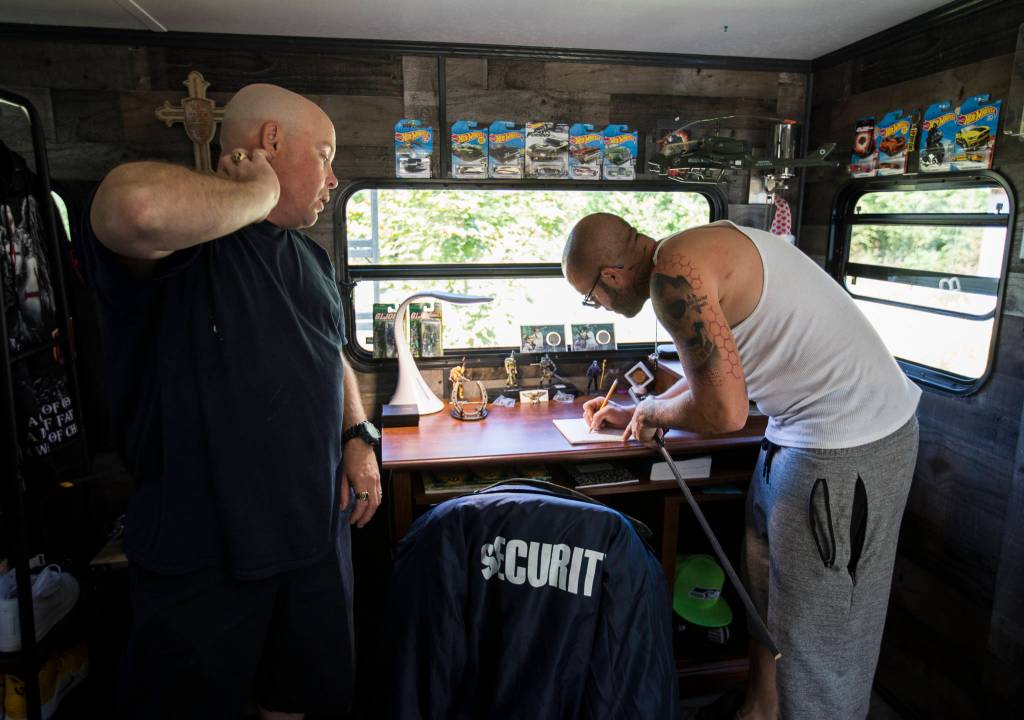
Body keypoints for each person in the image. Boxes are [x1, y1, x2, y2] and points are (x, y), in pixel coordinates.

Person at [80, 84, 381, 720]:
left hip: (311, 535)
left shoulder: (313, 257)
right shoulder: (185, 248)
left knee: (300, 701)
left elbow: (328, 351)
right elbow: (127, 207)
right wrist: (258, 193)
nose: (335, 177)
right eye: (325, 155)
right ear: (271, 142)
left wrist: (357, 434)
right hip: (206, 548)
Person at [564, 213, 920, 720]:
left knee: (821, 641)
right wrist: (635, 412)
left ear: (612, 275)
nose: (596, 304)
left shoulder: (673, 278)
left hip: (850, 441)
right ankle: (761, 710)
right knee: (767, 603)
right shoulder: (687, 254)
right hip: (796, 434)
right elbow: (718, 372)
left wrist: (651, 412)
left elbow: (724, 412)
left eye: (589, 294)